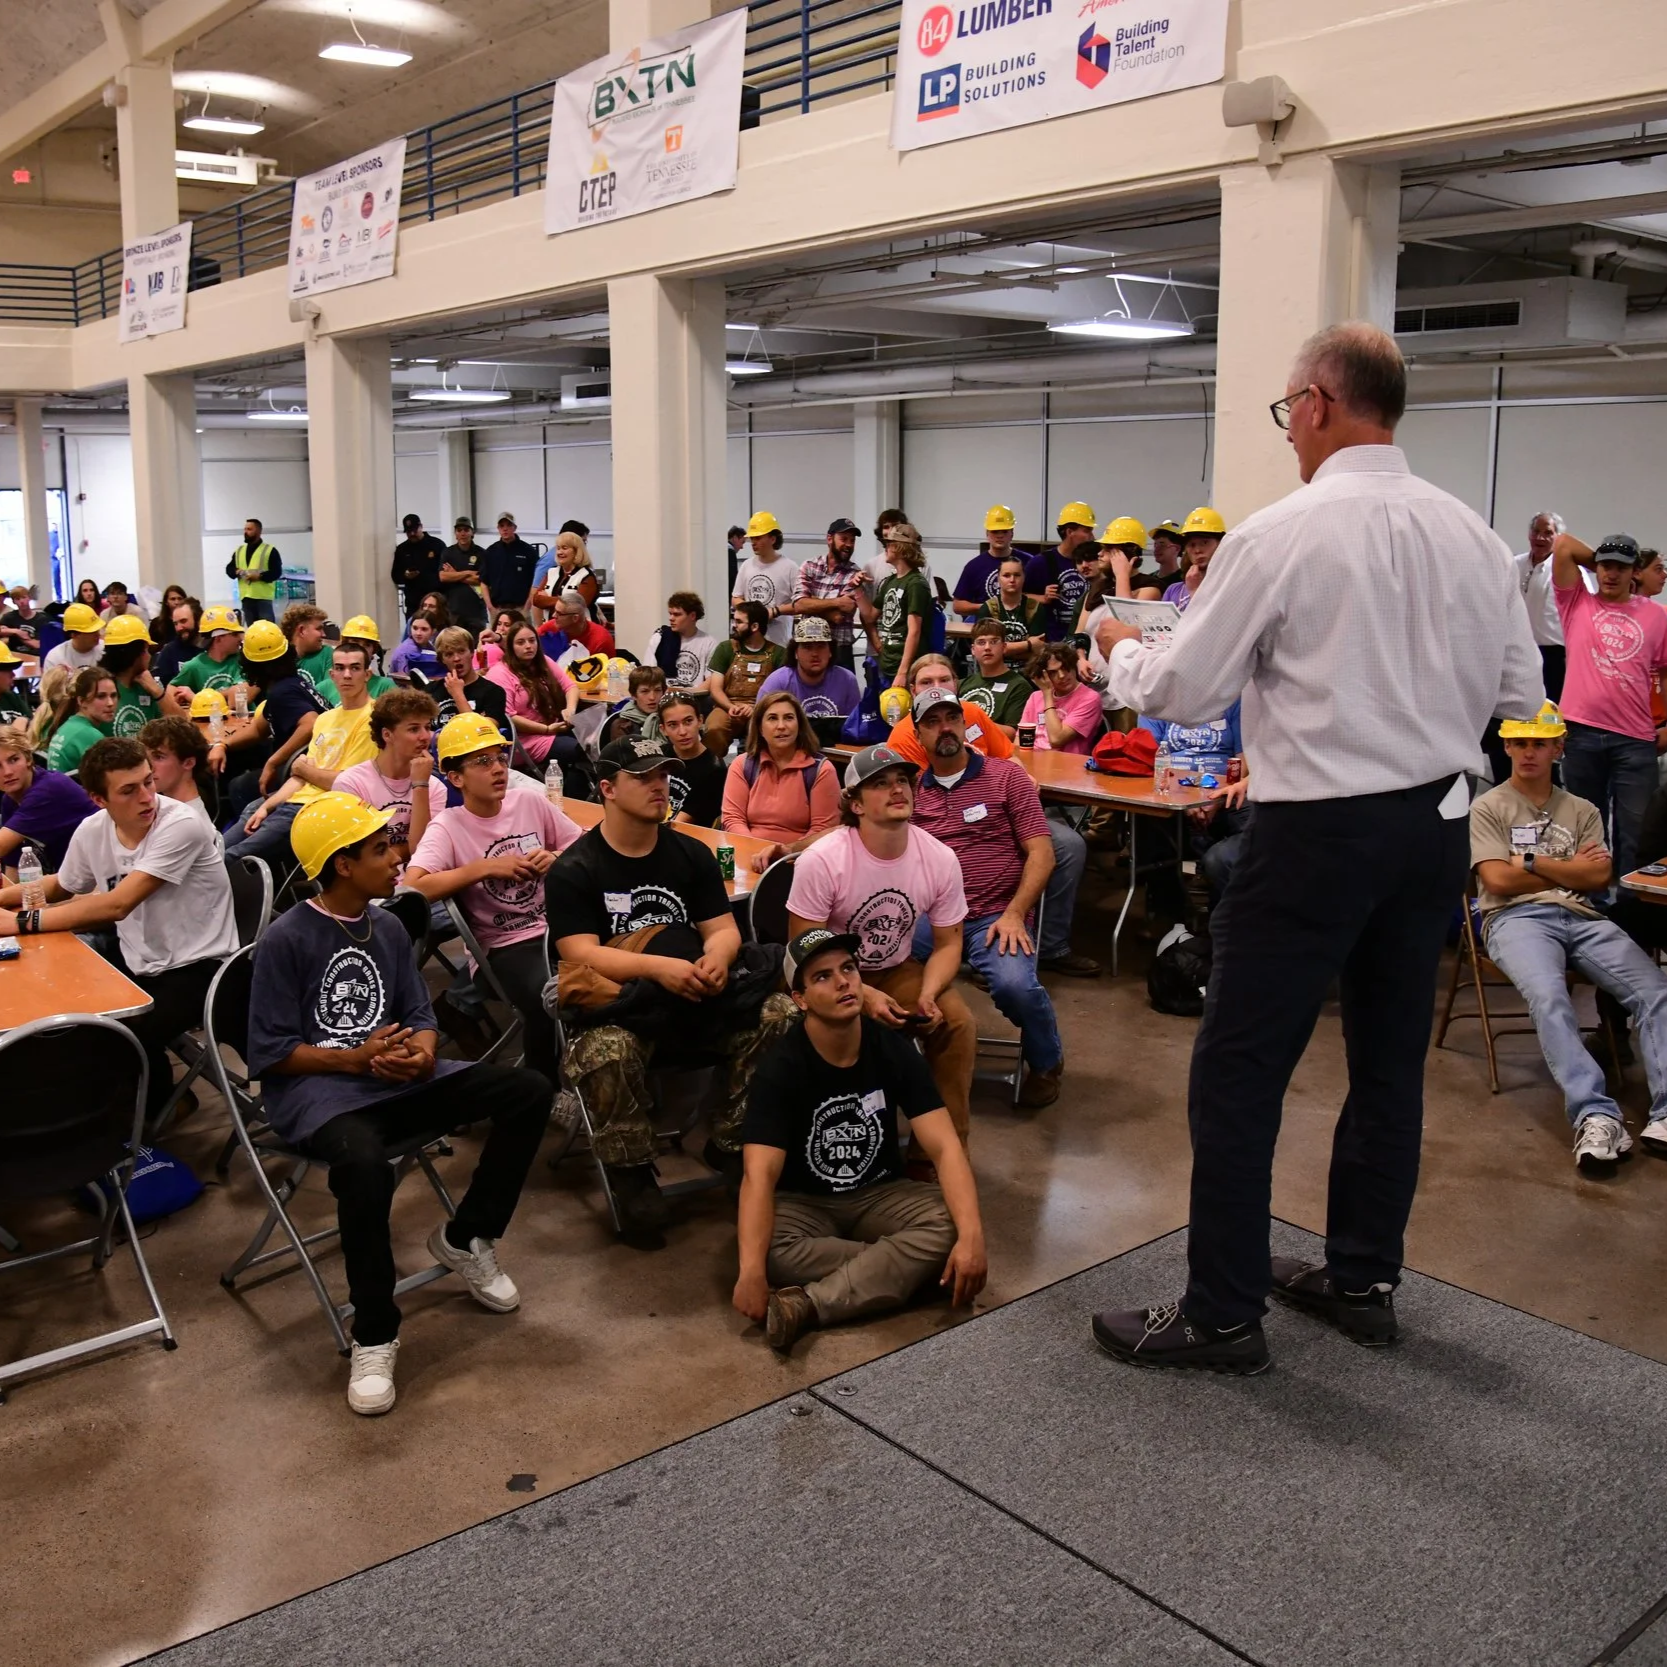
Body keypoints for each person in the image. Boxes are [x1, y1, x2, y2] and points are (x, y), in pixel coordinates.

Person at [1089, 321, 1543, 1374]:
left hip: (1315, 832)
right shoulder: (1472, 541)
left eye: (1284, 411)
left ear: (1313, 403)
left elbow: (1185, 687)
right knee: (1386, 1064)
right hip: (1430, 823)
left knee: (1239, 1069)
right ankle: (1358, 1276)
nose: (1286, 431)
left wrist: (1121, 651)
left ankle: (1220, 1308)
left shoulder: (1277, 533)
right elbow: (1520, 697)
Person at [249, 792, 550, 1416]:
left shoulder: (387, 925)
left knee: (528, 1091)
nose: (397, 856)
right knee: (362, 1167)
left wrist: (421, 1049)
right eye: (380, 849)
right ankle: (375, 1330)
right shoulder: (286, 938)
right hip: (322, 1096)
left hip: (397, 1079)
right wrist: (351, 1059)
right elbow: (272, 1053)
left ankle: (466, 1237)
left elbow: (417, 1013)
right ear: (340, 865)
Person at [547, 736, 799, 1239]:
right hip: (626, 1007)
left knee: (782, 1016)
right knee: (605, 1050)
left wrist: (718, 958)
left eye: (662, 775)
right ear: (607, 789)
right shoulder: (575, 868)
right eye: (642, 777)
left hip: (695, 997)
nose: (658, 786)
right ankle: (632, 1172)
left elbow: (723, 928)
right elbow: (578, 952)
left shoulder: (691, 853)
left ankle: (731, 1143)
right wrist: (659, 969)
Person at [733, 926, 988, 1353]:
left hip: (881, 1192)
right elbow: (758, 1177)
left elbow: (944, 1148)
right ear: (800, 1000)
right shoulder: (780, 1068)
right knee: (769, 1251)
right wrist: (749, 1272)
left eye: (848, 969)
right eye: (822, 977)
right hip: (804, 1202)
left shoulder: (892, 1049)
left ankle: (810, 1304)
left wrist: (973, 1238)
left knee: (953, 1225)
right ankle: (904, 1270)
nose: (843, 982)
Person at [1469, 701, 1667, 1173]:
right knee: (1549, 996)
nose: (1528, 753)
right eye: (1519, 743)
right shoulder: (1489, 807)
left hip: (1583, 916)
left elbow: (1599, 879)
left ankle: (1665, 1112)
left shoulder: (1582, 810)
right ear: (1507, 747)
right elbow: (1497, 882)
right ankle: (1595, 1114)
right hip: (1515, 920)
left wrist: (1531, 862)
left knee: (1656, 992)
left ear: (1559, 748)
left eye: (1539, 743)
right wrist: (1570, 871)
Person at [0, 736, 238, 1122]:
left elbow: (116, 903)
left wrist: (21, 921)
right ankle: (136, 1103)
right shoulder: (94, 828)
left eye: (148, 781)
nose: (147, 796)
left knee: (112, 1035)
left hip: (202, 968)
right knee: (64, 1007)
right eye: (129, 790)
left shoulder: (181, 824)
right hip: (141, 960)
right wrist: (5, 901)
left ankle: (154, 1111)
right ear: (99, 800)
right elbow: (61, 885)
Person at [787, 744, 974, 1148]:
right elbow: (804, 949)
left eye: (903, 781)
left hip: (897, 967)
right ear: (854, 803)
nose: (896, 790)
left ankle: (941, 1153)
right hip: (827, 971)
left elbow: (948, 944)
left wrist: (927, 993)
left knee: (955, 1022)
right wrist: (863, 993)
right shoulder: (823, 859)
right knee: (849, 1024)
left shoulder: (939, 858)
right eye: (880, 784)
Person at [406, 712, 583, 1084]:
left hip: (563, 927)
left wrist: (554, 858)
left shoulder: (529, 801)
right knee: (548, 997)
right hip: (506, 945)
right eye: (482, 762)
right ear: (455, 778)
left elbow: (583, 846)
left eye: (501, 758)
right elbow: (413, 887)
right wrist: (482, 869)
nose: (498, 768)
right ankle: (544, 1090)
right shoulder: (450, 826)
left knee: (620, 975)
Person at [909, 688, 1063, 1106]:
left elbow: (1042, 853)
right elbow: (855, 828)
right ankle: (903, 1060)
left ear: (964, 724)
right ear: (918, 733)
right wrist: (795, 848)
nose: (945, 728)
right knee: (880, 962)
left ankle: (1047, 1062)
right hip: (934, 917)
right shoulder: (909, 791)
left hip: (997, 914)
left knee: (1016, 987)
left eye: (952, 718)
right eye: (933, 721)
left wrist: (1015, 914)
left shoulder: (1006, 777)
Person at [1550, 530, 1667, 890]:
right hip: (1581, 732)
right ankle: (1591, 906)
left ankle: (1632, 918)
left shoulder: (1657, 616)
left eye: (1621, 567)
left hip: (1634, 740)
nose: (1611, 574)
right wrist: (1601, 560)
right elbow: (1563, 544)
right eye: (1605, 567)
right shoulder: (1577, 603)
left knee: (1635, 835)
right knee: (1586, 830)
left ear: (1635, 572)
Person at [226, 642, 378, 864]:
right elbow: (298, 777)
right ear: (331, 674)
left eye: (355, 668)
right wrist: (268, 805)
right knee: (215, 850)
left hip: (320, 810)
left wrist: (303, 768)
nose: (347, 675)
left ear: (367, 674)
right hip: (294, 800)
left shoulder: (373, 718)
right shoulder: (326, 719)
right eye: (340, 668)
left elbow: (346, 784)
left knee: (229, 858)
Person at [1140, 700, 1252, 903]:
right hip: (1171, 789)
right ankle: (1169, 913)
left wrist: (1218, 798)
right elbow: (1149, 761)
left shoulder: (1233, 699)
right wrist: (1182, 800)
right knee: (1148, 818)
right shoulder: (1156, 699)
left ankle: (1224, 907)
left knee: (1252, 823)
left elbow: (1243, 759)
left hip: (1225, 789)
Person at [721, 690, 840, 873]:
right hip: (748, 858)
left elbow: (824, 829)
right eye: (772, 719)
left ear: (799, 725)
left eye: (789, 718)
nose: (781, 726)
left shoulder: (821, 770)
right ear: (760, 728)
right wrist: (758, 852)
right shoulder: (742, 765)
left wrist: (785, 853)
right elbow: (732, 819)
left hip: (800, 862)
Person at [333, 689, 444, 862]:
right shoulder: (351, 783)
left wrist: (421, 785)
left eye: (427, 727)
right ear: (387, 735)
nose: (425, 736)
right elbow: (363, 859)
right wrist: (402, 851)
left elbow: (423, 854)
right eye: (414, 729)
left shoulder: (435, 786)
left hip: (420, 880)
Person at [884, 654, 1015, 770]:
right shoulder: (902, 737)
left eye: (944, 680)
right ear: (913, 691)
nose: (937, 688)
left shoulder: (972, 711)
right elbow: (921, 793)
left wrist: (1022, 780)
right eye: (926, 682)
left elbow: (1008, 757)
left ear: (955, 684)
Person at [486, 621, 580, 771]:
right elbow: (509, 717)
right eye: (521, 642)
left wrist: (570, 710)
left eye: (532, 640)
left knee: (595, 744)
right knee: (580, 750)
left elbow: (571, 687)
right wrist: (546, 729)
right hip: (525, 740)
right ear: (510, 647)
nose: (528, 646)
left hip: (555, 728)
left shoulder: (543, 661)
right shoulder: (500, 673)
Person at [0, 730, 94, 874]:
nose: (7, 772)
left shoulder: (49, 789)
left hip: (104, 874)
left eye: (14, 760)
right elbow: (13, 869)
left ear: (28, 759)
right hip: (71, 879)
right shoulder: (9, 800)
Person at [704, 600, 784, 756]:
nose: (734, 625)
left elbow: (780, 693)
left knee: (767, 733)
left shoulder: (778, 653)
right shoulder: (725, 648)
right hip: (727, 706)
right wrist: (730, 707)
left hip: (762, 708)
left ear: (755, 627)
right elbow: (715, 688)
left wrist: (756, 708)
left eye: (739, 622)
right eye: (734, 620)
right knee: (714, 728)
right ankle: (713, 772)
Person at [861, 521, 932, 690]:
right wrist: (857, 590)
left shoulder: (916, 584)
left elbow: (914, 630)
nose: (885, 548)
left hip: (905, 669)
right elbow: (870, 615)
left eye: (889, 544)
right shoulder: (891, 581)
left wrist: (902, 672)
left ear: (899, 548)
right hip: (888, 664)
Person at [758, 616, 861, 728]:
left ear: (830, 651)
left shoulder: (847, 680)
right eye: (807, 647)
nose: (815, 654)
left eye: (821, 646)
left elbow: (855, 726)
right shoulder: (777, 682)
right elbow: (760, 725)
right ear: (795, 652)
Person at [790, 519, 865, 668]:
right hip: (808, 644)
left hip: (839, 649)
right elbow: (799, 605)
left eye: (852, 540)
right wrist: (837, 602)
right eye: (844, 539)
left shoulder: (855, 574)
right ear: (829, 539)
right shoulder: (809, 566)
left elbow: (838, 616)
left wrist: (811, 602)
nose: (849, 545)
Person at [1513, 513, 1566, 703]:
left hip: (1553, 654)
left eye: (1548, 533)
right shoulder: (1514, 564)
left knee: (1549, 709)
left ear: (1558, 537)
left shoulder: (1566, 570)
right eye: (1536, 531)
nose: (1540, 538)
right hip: (1518, 650)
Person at [652, 693, 725, 826]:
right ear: (663, 729)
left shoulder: (715, 769)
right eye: (673, 725)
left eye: (688, 721)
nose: (682, 732)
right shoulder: (658, 756)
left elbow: (682, 822)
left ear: (700, 721)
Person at [1025, 501, 1097, 634]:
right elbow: (1017, 596)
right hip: (1052, 641)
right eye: (1087, 531)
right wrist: (1043, 598)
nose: (1092, 537)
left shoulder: (1097, 561)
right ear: (1070, 532)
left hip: (1085, 638)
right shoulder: (1040, 563)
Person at [1019, 642, 1103, 754]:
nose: (1062, 676)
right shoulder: (1035, 697)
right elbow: (1020, 741)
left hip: (1066, 765)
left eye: (1065, 668)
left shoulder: (1090, 698)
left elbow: (1056, 739)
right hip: (1033, 762)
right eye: (1053, 672)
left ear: (1073, 665)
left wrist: (1047, 695)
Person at [733, 511, 800, 649]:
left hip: (778, 643)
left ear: (773, 539)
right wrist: (751, 613)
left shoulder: (790, 567)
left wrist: (774, 611)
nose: (753, 543)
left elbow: (800, 604)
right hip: (749, 643)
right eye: (752, 538)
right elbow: (736, 598)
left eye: (758, 538)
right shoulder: (746, 565)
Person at [958, 618, 1035, 737]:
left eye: (994, 642)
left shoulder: (1019, 686)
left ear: (1004, 647)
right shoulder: (962, 684)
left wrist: (974, 720)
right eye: (981, 642)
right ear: (973, 650)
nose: (987, 647)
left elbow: (1013, 733)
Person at [432, 625, 510, 739]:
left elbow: (482, 734)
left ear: (471, 652)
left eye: (461, 651)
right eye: (449, 654)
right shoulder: (430, 691)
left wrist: (458, 695)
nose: (456, 658)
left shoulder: (493, 692)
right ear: (442, 659)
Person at [164, 606, 245, 711]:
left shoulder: (242, 661)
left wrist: (196, 699)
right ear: (218, 638)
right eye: (234, 634)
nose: (240, 638)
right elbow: (171, 692)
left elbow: (237, 698)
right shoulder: (194, 666)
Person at [139, 715, 216, 825]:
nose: (148, 766)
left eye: (158, 757)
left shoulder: (188, 822)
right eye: (146, 756)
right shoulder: (157, 808)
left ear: (188, 763)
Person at [45, 666, 117, 774]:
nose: (110, 703)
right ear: (82, 701)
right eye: (101, 696)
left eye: (113, 695)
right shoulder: (88, 735)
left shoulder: (70, 725)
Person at [100, 616, 162, 738]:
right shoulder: (100, 688)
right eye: (147, 650)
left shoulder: (149, 687)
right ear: (140, 653)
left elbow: (181, 725)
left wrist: (158, 692)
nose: (150, 657)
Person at [644, 592, 717, 693]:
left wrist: (689, 695)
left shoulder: (709, 643)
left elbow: (712, 680)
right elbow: (649, 674)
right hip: (663, 696)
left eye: (677, 614)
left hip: (696, 698)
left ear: (692, 616)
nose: (671, 618)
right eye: (670, 613)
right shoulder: (659, 638)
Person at [978, 555, 1047, 662]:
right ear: (998, 578)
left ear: (1024, 577)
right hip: (994, 672)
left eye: (1017, 575)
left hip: (1027, 672)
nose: (1012, 580)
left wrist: (1005, 650)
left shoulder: (1035, 608)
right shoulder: (987, 609)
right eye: (1006, 575)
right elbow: (988, 650)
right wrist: (1028, 644)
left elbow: (1038, 649)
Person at [952, 505, 1018, 617]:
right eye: (995, 531)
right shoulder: (974, 566)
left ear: (1012, 533)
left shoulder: (1027, 562)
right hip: (986, 630)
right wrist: (985, 607)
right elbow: (957, 605)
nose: (1000, 536)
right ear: (987, 533)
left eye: (1004, 531)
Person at [320, 616, 397, 707]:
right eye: (355, 643)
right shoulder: (324, 688)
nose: (360, 649)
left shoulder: (386, 687)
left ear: (373, 651)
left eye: (367, 645)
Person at [529, 528, 599, 616]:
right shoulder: (551, 572)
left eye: (564, 548)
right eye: (558, 548)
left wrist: (547, 599)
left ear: (577, 551)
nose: (560, 552)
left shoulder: (587, 576)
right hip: (551, 627)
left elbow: (577, 605)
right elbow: (535, 600)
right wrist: (566, 601)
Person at [391, 512, 447, 619]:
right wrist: (406, 576)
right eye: (408, 532)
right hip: (414, 603)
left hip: (435, 602)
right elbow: (395, 575)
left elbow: (446, 570)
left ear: (421, 527)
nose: (412, 534)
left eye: (414, 530)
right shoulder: (402, 549)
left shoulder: (437, 545)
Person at [226, 517, 282, 623]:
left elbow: (276, 572)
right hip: (246, 598)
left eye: (249, 529)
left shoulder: (269, 550)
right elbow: (229, 568)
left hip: (263, 598)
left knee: (266, 630)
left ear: (259, 531)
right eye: (245, 529)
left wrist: (260, 576)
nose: (245, 532)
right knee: (252, 631)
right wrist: (235, 571)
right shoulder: (239, 551)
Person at [482, 513, 540, 615]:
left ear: (515, 527)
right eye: (502, 526)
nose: (505, 529)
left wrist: (527, 607)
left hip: (521, 609)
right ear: (498, 528)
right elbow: (484, 582)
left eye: (509, 525)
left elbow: (536, 581)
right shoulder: (491, 552)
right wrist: (490, 607)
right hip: (497, 610)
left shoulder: (528, 551)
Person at [439, 516, 489, 633]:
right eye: (459, 530)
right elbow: (443, 577)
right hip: (454, 611)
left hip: (476, 611)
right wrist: (467, 573)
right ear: (455, 534)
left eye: (466, 530)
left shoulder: (481, 553)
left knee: (477, 647)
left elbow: (480, 579)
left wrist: (454, 575)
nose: (463, 533)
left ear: (472, 533)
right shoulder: (448, 553)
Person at [537, 591, 615, 662]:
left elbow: (607, 673)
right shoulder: (548, 629)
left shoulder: (601, 640)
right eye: (554, 611)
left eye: (559, 613)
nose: (554, 616)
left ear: (575, 618)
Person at [281, 603, 336, 701]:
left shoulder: (327, 653)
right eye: (319, 629)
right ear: (302, 631)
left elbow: (329, 692)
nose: (324, 634)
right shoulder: (278, 660)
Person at [607, 665, 665, 746]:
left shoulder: (670, 718)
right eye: (645, 691)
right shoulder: (622, 725)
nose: (652, 697)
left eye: (657, 690)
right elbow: (624, 757)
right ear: (633, 695)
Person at [151, 597, 201, 686]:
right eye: (175, 624)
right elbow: (160, 685)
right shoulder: (170, 651)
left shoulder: (213, 647)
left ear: (198, 620)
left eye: (183, 621)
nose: (178, 628)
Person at [43, 602, 103, 675]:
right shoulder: (55, 658)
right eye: (91, 631)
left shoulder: (106, 651)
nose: (98, 634)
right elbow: (50, 686)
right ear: (73, 635)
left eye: (97, 630)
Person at [1137, 519, 1185, 595]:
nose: (1157, 548)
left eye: (1162, 544)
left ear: (1177, 548)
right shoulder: (1149, 579)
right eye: (1155, 544)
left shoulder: (1184, 580)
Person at [388, 612, 439, 678]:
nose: (418, 633)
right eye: (415, 628)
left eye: (424, 629)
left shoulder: (430, 647)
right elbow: (406, 682)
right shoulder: (405, 652)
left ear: (433, 631)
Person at [0, 643, 35, 728]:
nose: (13, 675)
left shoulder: (11, 697)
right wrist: (20, 724)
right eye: (7, 670)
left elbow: (34, 726)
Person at [0, 585, 40, 655]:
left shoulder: (42, 619)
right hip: (14, 655)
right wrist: (16, 631)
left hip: (35, 656)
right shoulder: (9, 617)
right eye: (17, 599)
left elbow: (39, 645)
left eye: (24, 597)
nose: (21, 601)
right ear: (14, 601)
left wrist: (21, 637)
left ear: (29, 598)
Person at [725, 523, 747, 598]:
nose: (742, 547)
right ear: (735, 538)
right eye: (742, 542)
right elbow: (732, 579)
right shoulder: (730, 552)